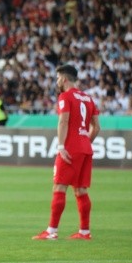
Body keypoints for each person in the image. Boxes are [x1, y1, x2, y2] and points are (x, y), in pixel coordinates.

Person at [32, 64, 100, 241]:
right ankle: (84, 232)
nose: (56, 81)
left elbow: (64, 122)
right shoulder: (88, 98)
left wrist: (61, 146)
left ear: (64, 78)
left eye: (57, 78)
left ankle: (51, 231)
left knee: (59, 187)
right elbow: (97, 127)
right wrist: (85, 142)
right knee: (81, 190)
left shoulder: (65, 96)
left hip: (70, 148)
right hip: (85, 148)